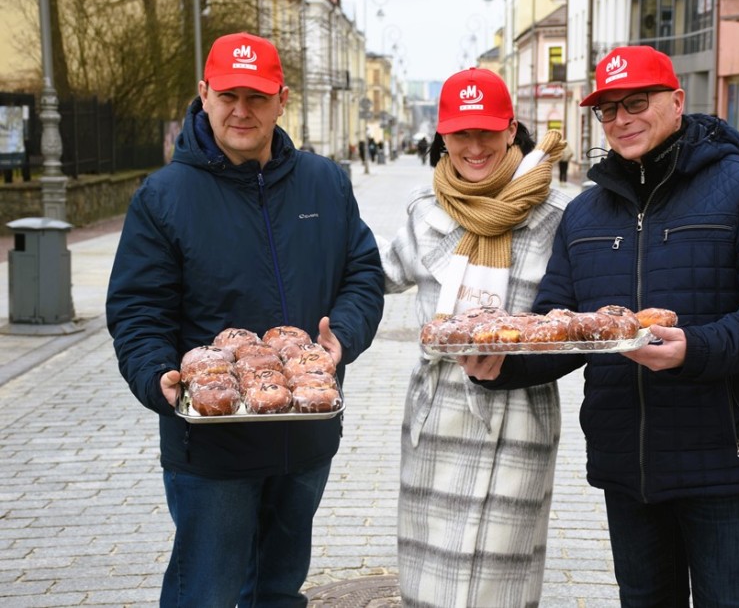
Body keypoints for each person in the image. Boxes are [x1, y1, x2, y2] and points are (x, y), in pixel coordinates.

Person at [460, 45, 739, 606]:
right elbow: (562, 324)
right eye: (608, 109)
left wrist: (694, 348)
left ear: (676, 102)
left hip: (722, 459)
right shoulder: (585, 211)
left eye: (636, 102)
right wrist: (499, 367)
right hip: (628, 465)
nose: (621, 119)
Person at [106, 32, 385, 608]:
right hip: (214, 444)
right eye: (228, 94)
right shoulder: (164, 196)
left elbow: (362, 273)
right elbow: (138, 309)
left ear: (282, 99)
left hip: (304, 433)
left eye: (256, 97)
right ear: (203, 94)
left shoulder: (325, 182)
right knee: (205, 594)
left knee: (279, 591)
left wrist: (344, 339)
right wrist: (154, 372)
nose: (241, 110)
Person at [379, 67, 571, 607]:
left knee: (498, 585)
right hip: (436, 412)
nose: (475, 145)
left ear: (511, 129)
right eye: (461, 132)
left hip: (517, 411)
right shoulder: (425, 212)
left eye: (487, 130)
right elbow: (376, 275)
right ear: (442, 136)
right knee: (429, 580)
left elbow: (574, 318)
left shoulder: (554, 216)